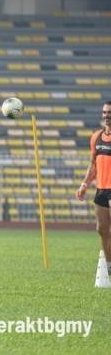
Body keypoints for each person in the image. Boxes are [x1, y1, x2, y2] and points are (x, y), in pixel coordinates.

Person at [76, 101, 111, 276]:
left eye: (109, 112)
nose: (107, 115)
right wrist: (84, 184)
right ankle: (110, 266)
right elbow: (93, 166)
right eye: (104, 112)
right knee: (102, 229)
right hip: (101, 190)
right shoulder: (96, 137)